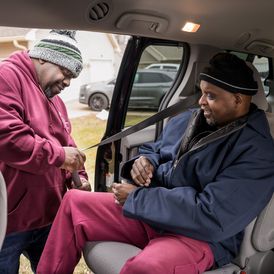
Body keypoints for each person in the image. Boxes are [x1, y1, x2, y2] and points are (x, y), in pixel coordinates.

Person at [37, 53, 274, 274]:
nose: (201, 101)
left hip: (201, 237)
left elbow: (212, 215)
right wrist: (144, 161)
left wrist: (137, 198)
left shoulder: (258, 152)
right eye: (202, 92)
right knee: (74, 202)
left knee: (146, 267)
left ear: (238, 99)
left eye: (211, 96)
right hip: (155, 215)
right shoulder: (188, 120)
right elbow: (155, 149)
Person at [0, 29, 91, 273]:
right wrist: (60, 156)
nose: (68, 82)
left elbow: (67, 143)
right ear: (43, 57)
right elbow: (7, 137)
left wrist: (79, 177)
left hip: (50, 214)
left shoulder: (54, 98)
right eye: (66, 72)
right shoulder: (7, 76)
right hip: (10, 218)